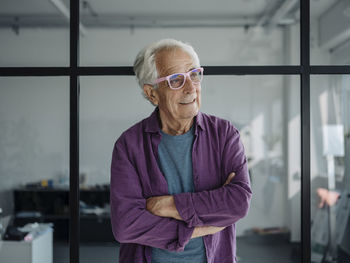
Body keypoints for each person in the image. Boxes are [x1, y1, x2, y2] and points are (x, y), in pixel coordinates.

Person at [110, 39, 252, 263]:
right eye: (176, 80)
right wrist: (202, 227)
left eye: (194, 74)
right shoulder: (129, 145)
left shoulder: (224, 134)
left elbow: (238, 202)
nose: (190, 88)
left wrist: (166, 205)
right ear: (152, 94)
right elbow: (125, 225)